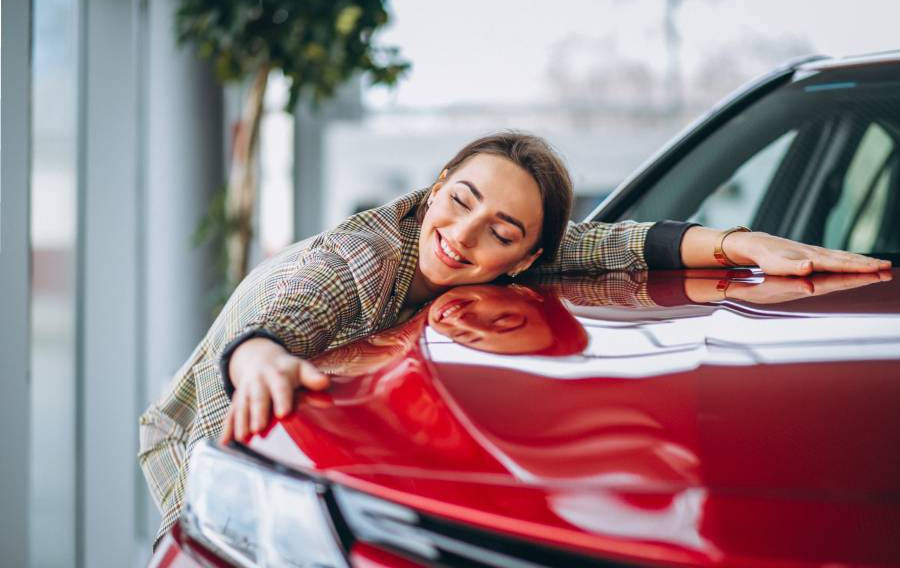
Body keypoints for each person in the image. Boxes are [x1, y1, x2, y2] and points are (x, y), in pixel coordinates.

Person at [138, 131, 890, 546]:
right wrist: (261, 355)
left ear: (528, 257)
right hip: (205, 431)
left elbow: (613, 246)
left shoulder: (531, 256)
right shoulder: (356, 260)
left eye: (500, 231)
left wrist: (742, 243)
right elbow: (286, 312)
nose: (463, 236)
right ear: (436, 187)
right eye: (459, 201)